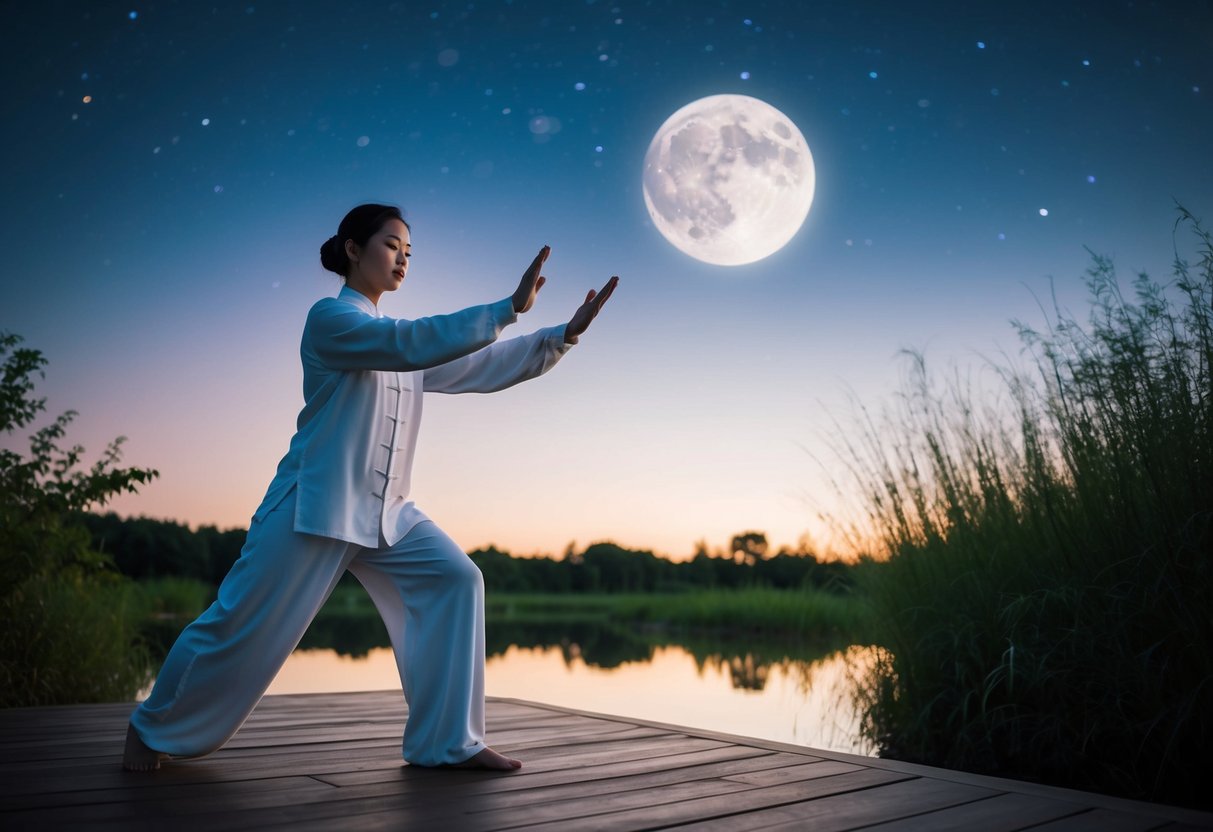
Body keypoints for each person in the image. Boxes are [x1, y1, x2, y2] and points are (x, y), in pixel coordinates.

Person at [122, 203, 618, 772]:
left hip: (387, 515)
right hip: (313, 507)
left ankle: (447, 742)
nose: (403, 259)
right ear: (353, 250)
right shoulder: (332, 320)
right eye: (391, 246)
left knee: (456, 580)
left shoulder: (399, 342)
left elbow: (479, 365)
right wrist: (506, 308)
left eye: (410, 252)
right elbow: (410, 344)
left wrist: (560, 336)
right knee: (238, 625)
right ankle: (150, 730)